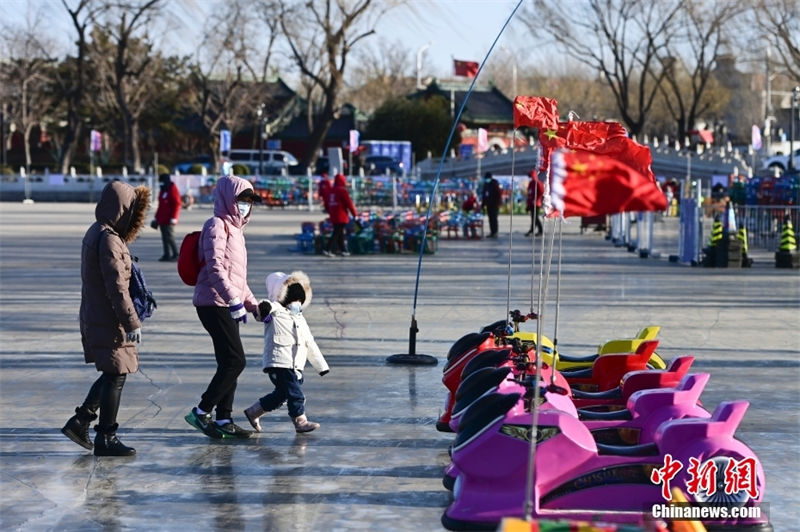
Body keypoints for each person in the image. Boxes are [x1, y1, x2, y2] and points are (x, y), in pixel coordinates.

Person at [61, 180, 151, 456]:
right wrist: (132, 321)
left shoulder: (97, 230)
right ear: (122, 208)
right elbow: (117, 287)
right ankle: (106, 437)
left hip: (99, 313)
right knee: (116, 375)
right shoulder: (110, 240)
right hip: (109, 318)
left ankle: (81, 421)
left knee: (113, 372)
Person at [184, 175, 262, 440]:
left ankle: (224, 419)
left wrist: (253, 305)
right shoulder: (216, 225)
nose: (246, 205)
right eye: (242, 200)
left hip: (226, 303)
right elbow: (215, 267)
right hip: (212, 302)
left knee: (228, 361)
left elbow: (237, 278)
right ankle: (202, 410)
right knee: (235, 360)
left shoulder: (237, 231)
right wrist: (233, 300)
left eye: (250, 201)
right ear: (229, 198)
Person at [243, 271, 329, 434]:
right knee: (296, 394)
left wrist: (321, 366)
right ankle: (300, 421)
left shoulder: (300, 319)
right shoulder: (276, 311)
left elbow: (310, 343)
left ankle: (254, 411)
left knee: (281, 395)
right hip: (279, 362)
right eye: (293, 299)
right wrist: (263, 309)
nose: (297, 303)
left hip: (296, 365)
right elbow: (263, 311)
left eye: (300, 300)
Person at [324, 173, 357, 257]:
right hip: (341, 215)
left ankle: (343, 250)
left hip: (333, 214)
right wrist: (354, 214)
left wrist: (329, 211)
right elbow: (349, 203)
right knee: (336, 233)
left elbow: (326, 203)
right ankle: (328, 249)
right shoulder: (342, 190)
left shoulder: (331, 190)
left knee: (340, 233)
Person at [152, 173, 182, 261]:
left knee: (169, 237)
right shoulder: (163, 190)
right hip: (162, 218)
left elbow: (177, 204)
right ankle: (166, 254)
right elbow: (161, 205)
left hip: (170, 218)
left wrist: (174, 217)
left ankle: (176, 254)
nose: (160, 183)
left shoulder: (172, 189)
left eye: (161, 181)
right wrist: (156, 217)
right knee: (164, 237)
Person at [481, 171, 501, 238]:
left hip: (494, 205)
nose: (487, 179)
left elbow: (498, 195)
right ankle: (492, 232)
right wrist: (483, 204)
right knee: (490, 219)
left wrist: (497, 203)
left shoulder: (494, 184)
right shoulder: (486, 185)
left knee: (494, 218)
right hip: (488, 205)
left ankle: (495, 232)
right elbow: (484, 195)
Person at [525, 170, 544, 237]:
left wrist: (537, 199)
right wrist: (528, 204)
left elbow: (541, 192)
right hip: (531, 203)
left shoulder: (538, 183)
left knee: (535, 218)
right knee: (533, 218)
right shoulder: (531, 183)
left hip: (536, 203)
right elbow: (529, 194)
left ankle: (540, 230)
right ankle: (532, 230)